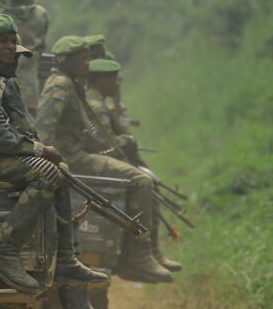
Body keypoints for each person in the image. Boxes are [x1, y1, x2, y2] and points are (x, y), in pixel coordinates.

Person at [0, 14, 110, 309]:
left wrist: (41, 149)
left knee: (57, 171)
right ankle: (4, 251)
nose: (11, 48)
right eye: (4, 42)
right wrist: (38, 150)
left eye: (13, 41)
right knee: (44, 172)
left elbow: (20, 127)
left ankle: (67, 259)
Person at [35, 36, 174, 283]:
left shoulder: (72, 83)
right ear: (68, 61)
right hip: (72, 159)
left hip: (78, 154)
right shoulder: (59, 84)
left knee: (142, 177)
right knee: (140, 180)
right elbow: (44, 129)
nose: (89, 64)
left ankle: (143, 254)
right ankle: (139, 258)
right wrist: (54, 160)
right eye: (84, 59)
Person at [85, 57, 181, 273]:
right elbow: (101, 144)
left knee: (149, 179)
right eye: (114, 78)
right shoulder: (95, 105)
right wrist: (125, 142)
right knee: (142, 181)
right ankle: (139, 254)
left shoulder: (98, 103)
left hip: (98, 159)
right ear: (101, 80)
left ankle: (150, 251)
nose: (118, 83)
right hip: (90, 162)